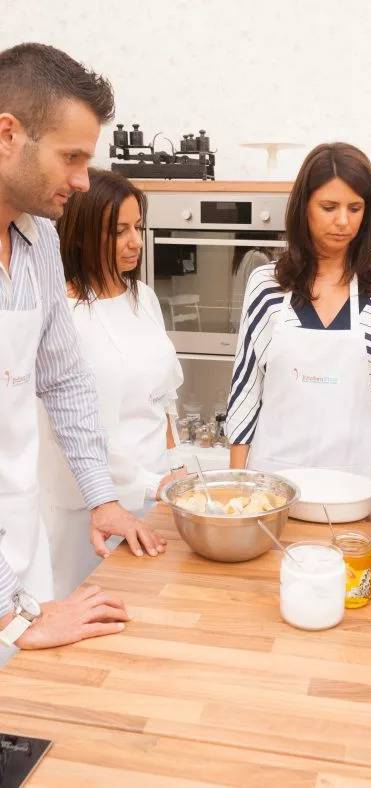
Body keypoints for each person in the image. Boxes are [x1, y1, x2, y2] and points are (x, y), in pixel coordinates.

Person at [0, 43, 162, 655]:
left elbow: (63, 380)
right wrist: (10, 618)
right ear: (7, 133)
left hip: (20, 544)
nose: (82, 180)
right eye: (71, 157)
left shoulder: (38, 241)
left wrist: (102, 500)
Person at [226, 142, 371, 488]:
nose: (343, 221)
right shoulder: (267, 284)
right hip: (273, 485)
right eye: (329, 207)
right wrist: (237, 484)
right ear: (304, 208)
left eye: (355, 208)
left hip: (362, 484)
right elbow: (245, 390)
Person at [39, 169, 184, 597]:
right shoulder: (63, 315)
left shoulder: (143, 296)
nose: (136, 242)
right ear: (83, 233)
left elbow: (165, 397)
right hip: (91, 504)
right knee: (91, 608)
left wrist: (175, 471)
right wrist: (147, 483)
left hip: (158, 493)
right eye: (119, 231)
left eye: (137, 227)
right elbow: (76, 428)